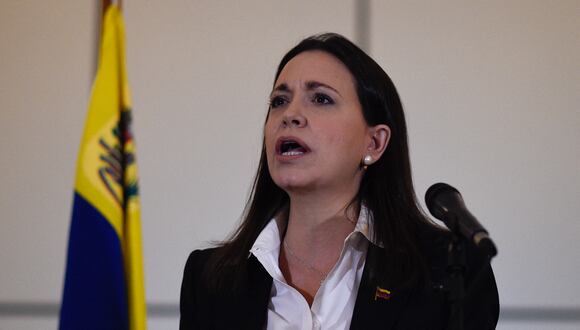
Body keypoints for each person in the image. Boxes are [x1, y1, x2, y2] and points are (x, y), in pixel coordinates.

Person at [180, 33, 499, 329]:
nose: (291, 114)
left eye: (320, 99)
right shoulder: (211, 279)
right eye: (279, 101)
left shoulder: (447, 270)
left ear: (374, 143)